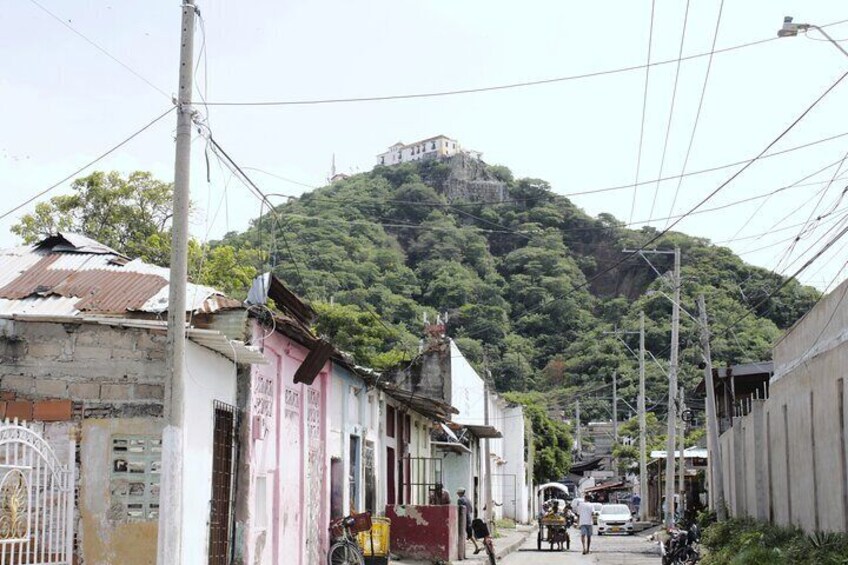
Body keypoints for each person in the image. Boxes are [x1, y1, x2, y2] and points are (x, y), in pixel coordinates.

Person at [456, 488, 480, 554]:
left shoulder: (460, 500)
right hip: (469, 518)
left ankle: (461, 551)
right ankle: (476, 546)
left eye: (458, 493)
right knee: (469, 534)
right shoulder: (468, 500)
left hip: (463, 519)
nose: (457, 494)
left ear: (460, 493)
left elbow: (459, 510)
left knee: (461, 534)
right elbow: (471, 510)